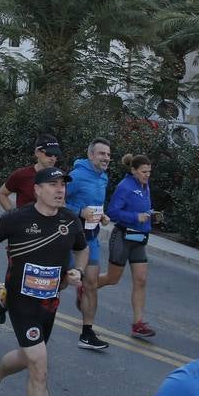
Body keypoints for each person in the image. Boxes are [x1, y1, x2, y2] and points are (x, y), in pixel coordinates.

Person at [0, 166, 86, 396]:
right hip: (20, 300)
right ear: (37, 189)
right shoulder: (17, 218)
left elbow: (82, 249)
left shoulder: (70, 220)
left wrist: (77, 271)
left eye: (62, 184)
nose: (59, 189)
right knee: (39, 364)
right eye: (52, 184)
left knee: (29, 357)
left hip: (49, 303)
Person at [105, 153, 159, 340]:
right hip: (122, 236)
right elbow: (112, 212)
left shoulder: (145, 186)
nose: (147, 175)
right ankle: (86, 286)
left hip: (138, 237)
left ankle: (138, 324)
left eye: (149, 172)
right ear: (134, 171)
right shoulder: (124, 187)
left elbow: (141, 208)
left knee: (141, 280)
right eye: (144, 172)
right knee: (112, 279)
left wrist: (150, 215)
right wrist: (136, 217)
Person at [65, 139, 112, 350]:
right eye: (102, 154)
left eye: (109, 155)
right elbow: (57, 202)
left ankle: (87, 333)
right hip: (68, 239)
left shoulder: (104, 178)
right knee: (60, 283)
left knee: (92, 283)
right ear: (91, 155)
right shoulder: (75, 176)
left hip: (91, 238)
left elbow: (95, 205)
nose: (106, 158)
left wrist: (102, 216)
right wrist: (79, 212)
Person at [0, 135, 61, 212]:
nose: (53, 158)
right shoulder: (21, 175)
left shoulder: (60, 178)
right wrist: (13, 215)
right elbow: (2, 194)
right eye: (49, 154)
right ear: (37, 152)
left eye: (56, 154)